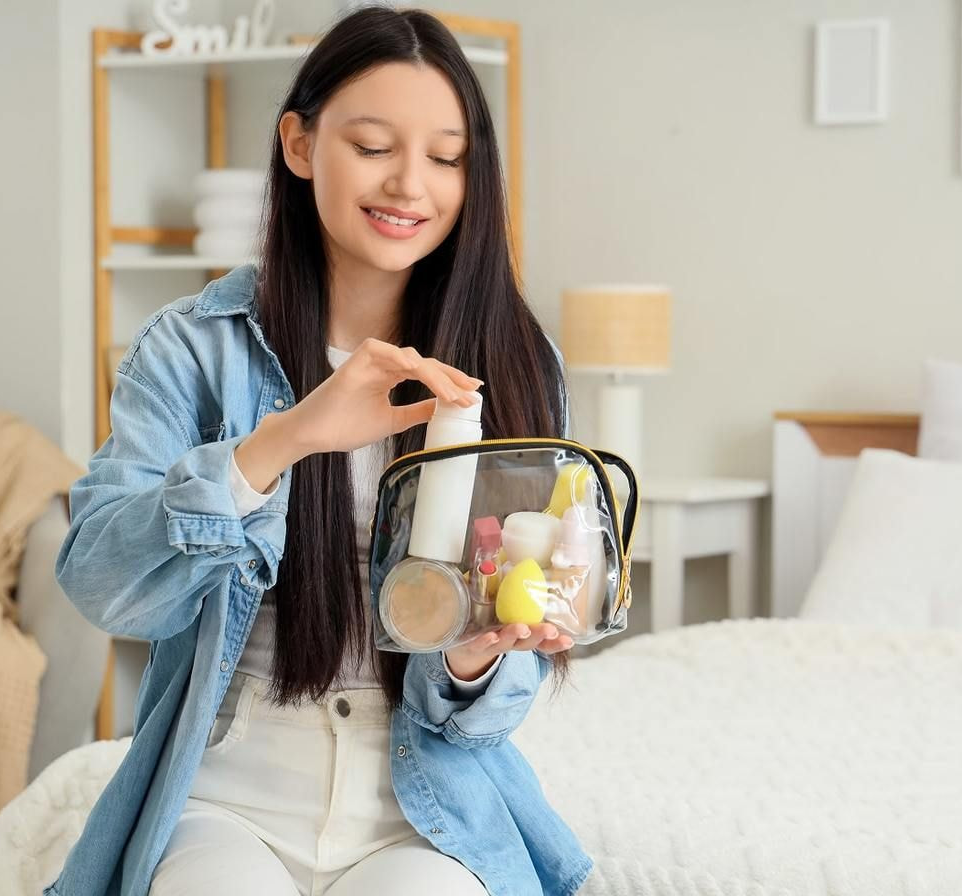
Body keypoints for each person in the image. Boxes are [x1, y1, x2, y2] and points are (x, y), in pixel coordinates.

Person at [47, 7, 592, 896]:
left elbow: (492, 709)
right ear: (299, 145)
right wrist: (287, 438)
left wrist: (472, 655)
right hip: (227, 790)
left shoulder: (517, 365)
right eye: (374, 145)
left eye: (447, 158)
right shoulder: (190, 349)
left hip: (425, 797)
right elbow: (104, 588)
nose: (411, 184)